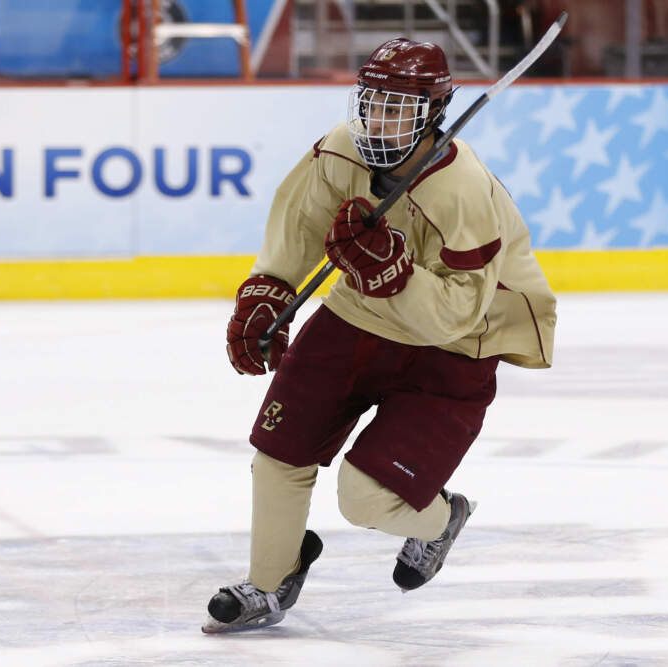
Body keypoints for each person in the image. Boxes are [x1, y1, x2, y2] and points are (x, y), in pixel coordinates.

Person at [203, 38, 556, 633]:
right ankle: (269, 582)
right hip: (361, 316)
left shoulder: (463, 191)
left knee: (364, 499)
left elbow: (459, 314)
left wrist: (394, 275)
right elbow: (300, 226)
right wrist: (269, 292)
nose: (379, 119)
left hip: (457, 345)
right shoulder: (339, 153)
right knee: (279, 451)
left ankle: (441, 518)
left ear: (432, 114)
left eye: (398, 107)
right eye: (372, 101)